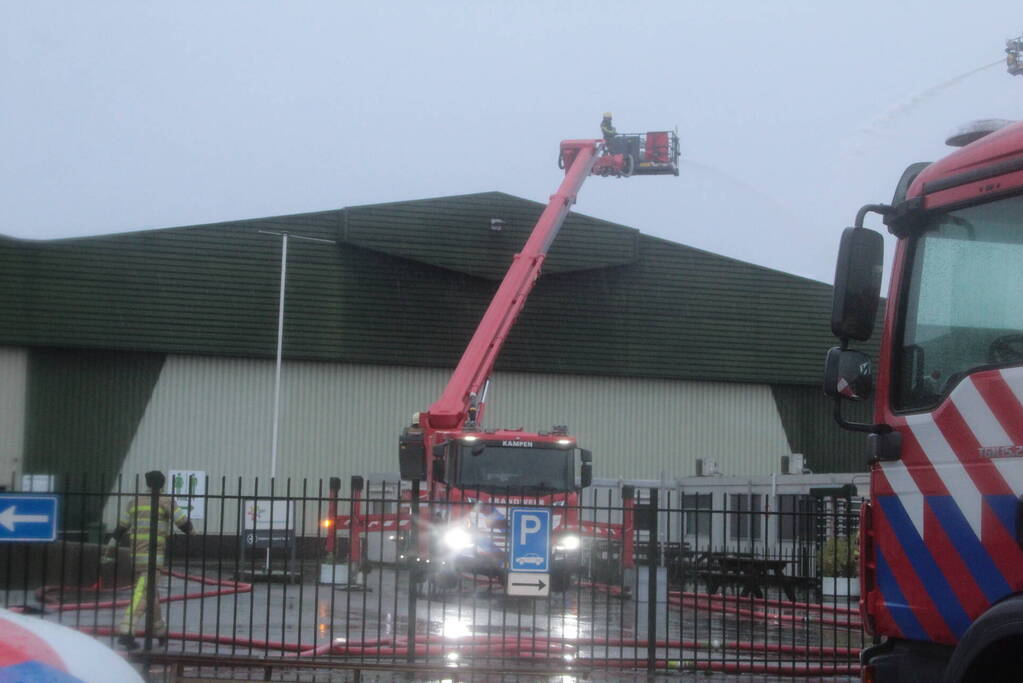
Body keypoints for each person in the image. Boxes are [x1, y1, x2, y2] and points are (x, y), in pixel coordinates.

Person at [107, 470, 193, 650]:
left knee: (150, 594)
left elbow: (119, 530)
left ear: (147, 484)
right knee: (143, 594)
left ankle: (160, 632)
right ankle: (126, 631)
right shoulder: (166, 501)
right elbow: (183, 524)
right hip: (153, 559)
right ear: (162, 485)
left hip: (136, 557)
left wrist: (108, 551)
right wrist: (193, 534)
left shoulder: (134, 503)